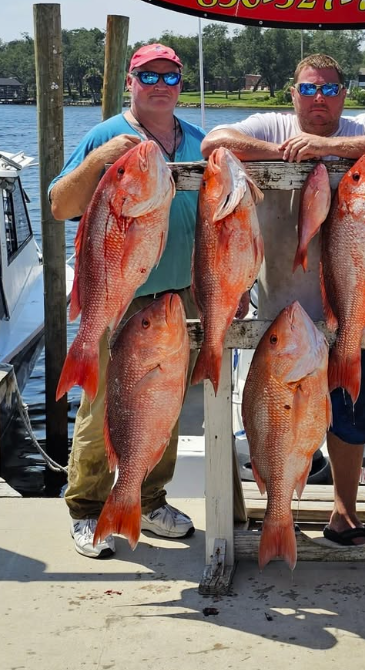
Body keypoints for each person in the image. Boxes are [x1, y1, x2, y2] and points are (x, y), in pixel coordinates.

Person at [201, 53, 365, 546]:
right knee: (278, 414)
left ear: (343, 93)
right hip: (279, 309)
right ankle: (278, 507)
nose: (318, 98)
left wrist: (327, 146)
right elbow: (215, 141)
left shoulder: (364, 127)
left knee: (349, 416)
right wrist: (281, 153)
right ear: (292, 93)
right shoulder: (269, 125)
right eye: (308, 89)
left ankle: (345, 512)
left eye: (329, 89)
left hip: (350, 306)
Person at [50, 44, 206, 558]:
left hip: (178, 298)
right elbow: (60, 206)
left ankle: (148, 497)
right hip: (117, 296)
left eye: (170, 75)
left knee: (163, 407)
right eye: (148, 75)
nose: (160, 84)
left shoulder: (199, 142)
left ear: (180, 82)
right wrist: (97, 161)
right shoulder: (105, 137)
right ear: (130, 82)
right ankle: (87, 509)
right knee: (100, 411)